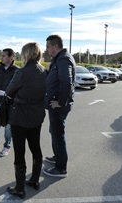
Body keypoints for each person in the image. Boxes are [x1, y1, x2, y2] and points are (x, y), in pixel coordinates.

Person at [5, 42, 47, 199]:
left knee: (19, 152)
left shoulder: (21, 73)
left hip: (20, 117)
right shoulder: (44, 71)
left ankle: (20, 188)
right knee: (36, 147)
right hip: (37, 116)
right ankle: (35, 180)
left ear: (26, 54)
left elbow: (9, 91)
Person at [43, 34, 76, 178]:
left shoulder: (63, 59)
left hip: (58, 106)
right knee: (54, 132)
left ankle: (61, 168)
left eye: (48, 46)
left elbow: (66, 82)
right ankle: (58, 156)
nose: (47, 49)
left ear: (55, 46)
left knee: (58, 134)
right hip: (55, 104)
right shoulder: (59, 59)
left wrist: (61, 102)